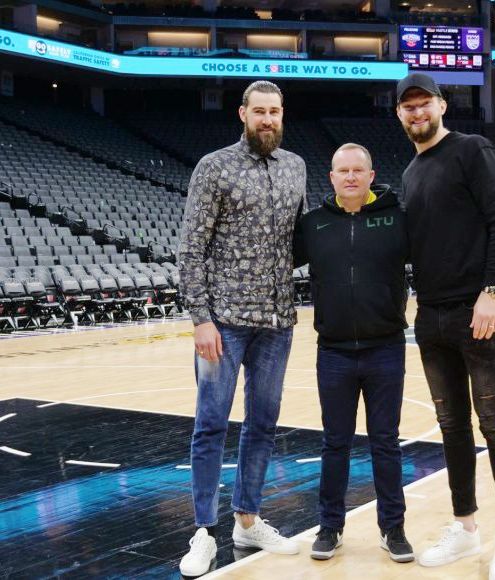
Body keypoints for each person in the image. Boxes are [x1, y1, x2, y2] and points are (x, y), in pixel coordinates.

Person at [396, 72, 495, 580]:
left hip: (477, 311)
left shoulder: (473, 150)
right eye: (408, 106)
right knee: (451, 426)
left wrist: (493, 290)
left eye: (424, 103)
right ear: (399, 115)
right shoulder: (411, 173)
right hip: (430, 317)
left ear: (441, 106)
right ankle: (465, 526)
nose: (417, 112)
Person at [177, 80, 307, 577]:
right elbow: (191, 248)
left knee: (263, 423)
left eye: (275, 111)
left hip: (277, 321)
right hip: (224, 323)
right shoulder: (214, 167)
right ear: (242, 114)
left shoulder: (295, 167)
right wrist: (200, 319)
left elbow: (299, 241)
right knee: (211, 423)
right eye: (259, 111)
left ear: (282, 115)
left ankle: (247, 520)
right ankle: (203, 532)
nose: (268, 119)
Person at [294, 143, 413, 563]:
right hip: (334, 351)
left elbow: (436, 257)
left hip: (386, 348)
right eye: (342, 171)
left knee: (386, 442)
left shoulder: (397, 219)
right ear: (331, 177)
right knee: (335, 443)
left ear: (370, 175)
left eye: (357, 170)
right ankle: (330, 526)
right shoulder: (313, 225)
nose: (350, 177)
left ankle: (393, 528)